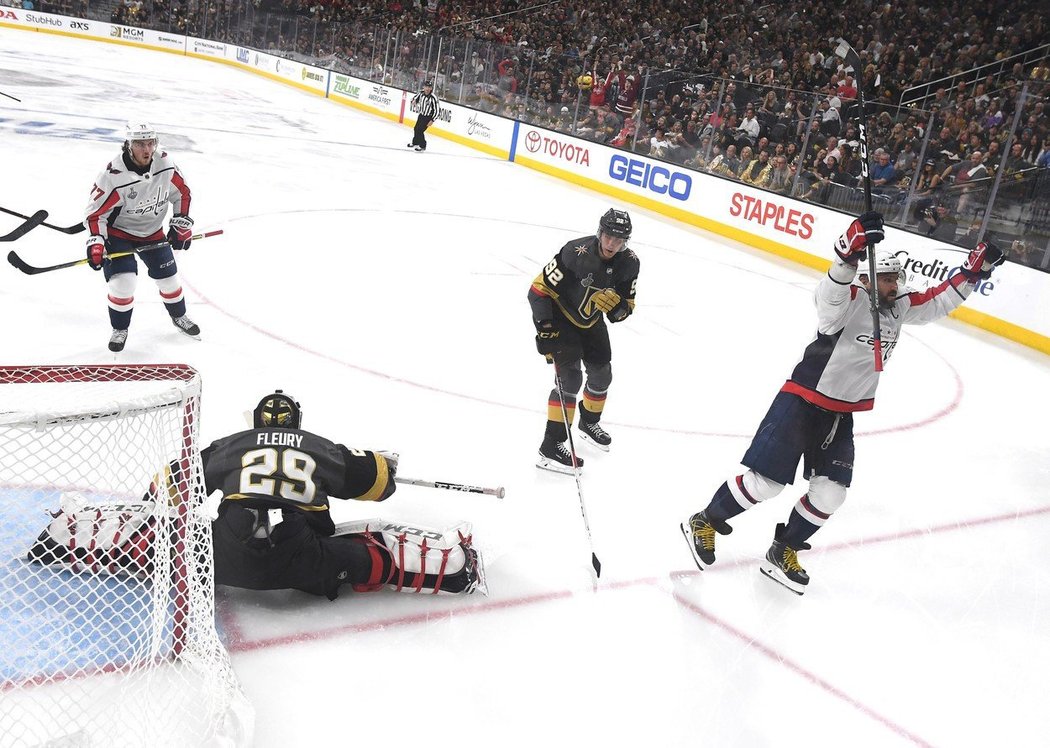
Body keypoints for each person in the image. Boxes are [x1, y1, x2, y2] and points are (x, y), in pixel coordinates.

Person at [680, 212, 1005, 595]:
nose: (894, 285)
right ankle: (704, 520)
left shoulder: (897, 306)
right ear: (867, 278)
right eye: (886, 278)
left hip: (842, 414)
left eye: (896, 279)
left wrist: (971, 273)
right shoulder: (847, 300)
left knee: (831, 492)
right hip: (802, 401)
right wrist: (849, 252)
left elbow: (937, 302)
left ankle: (782, 549)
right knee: (766, 483)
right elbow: (830, 292)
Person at [205, 391, 484, 598]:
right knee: (376, 553)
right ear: (297, 422)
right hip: (301, 557)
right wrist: (381, 465)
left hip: (225, 557)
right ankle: (457, 571)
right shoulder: (315, 447)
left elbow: (169, 486)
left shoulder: (228, 446)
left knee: (174, 542)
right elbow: (378, 484)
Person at [529, 209, 639, 473]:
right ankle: (550, 446)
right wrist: (545, 329)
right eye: (609, 235)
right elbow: (537, 291)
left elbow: (628, 305)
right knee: (571, 380)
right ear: (600, 232)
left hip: (591, 321)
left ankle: (588, 422)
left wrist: (617, 309)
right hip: (560, 318)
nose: (612, 243)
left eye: (619, 239)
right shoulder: (574, 251)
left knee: (603, 375)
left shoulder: (630, 263)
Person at [84, 122, 199, 353]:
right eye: (140, 144)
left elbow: (182, 194)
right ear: (128, 145)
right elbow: (96, 214)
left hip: (152, 232)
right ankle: (120, 328)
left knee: (169, 280)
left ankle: (180, 316)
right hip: (119, 235)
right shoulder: (112, 175)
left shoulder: (165, 165)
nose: (147, 150)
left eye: (150, 143)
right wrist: (96, 241)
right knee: (123, 284)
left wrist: (180, 223)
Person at [408, 80, 439, 152]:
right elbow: (414, 98)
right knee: (416, 128)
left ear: (431, 88)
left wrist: (432, 120)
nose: (427, 89)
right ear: (423, 87)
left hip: (428, 117)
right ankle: (415, 142)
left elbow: (437, 110)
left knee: (420, 130)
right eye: (426, 87)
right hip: (421, 115)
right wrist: (413, 101)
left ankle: (422, 145)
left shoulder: (433, 98)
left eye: (429, 87)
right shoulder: (421, 93)